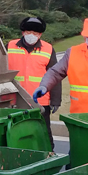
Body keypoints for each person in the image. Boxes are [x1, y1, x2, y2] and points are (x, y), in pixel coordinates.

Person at [8, 17, 61, 147]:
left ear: (40, 35)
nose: (31, 35)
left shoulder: (48, 49)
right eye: (28, 32)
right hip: (15, 100)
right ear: (23, 32)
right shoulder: (10, 46)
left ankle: (49, 154)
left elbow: (54, 75)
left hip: (40, 101)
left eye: (35, 33)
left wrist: (55, 100)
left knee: (44, 132)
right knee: (16, 133)